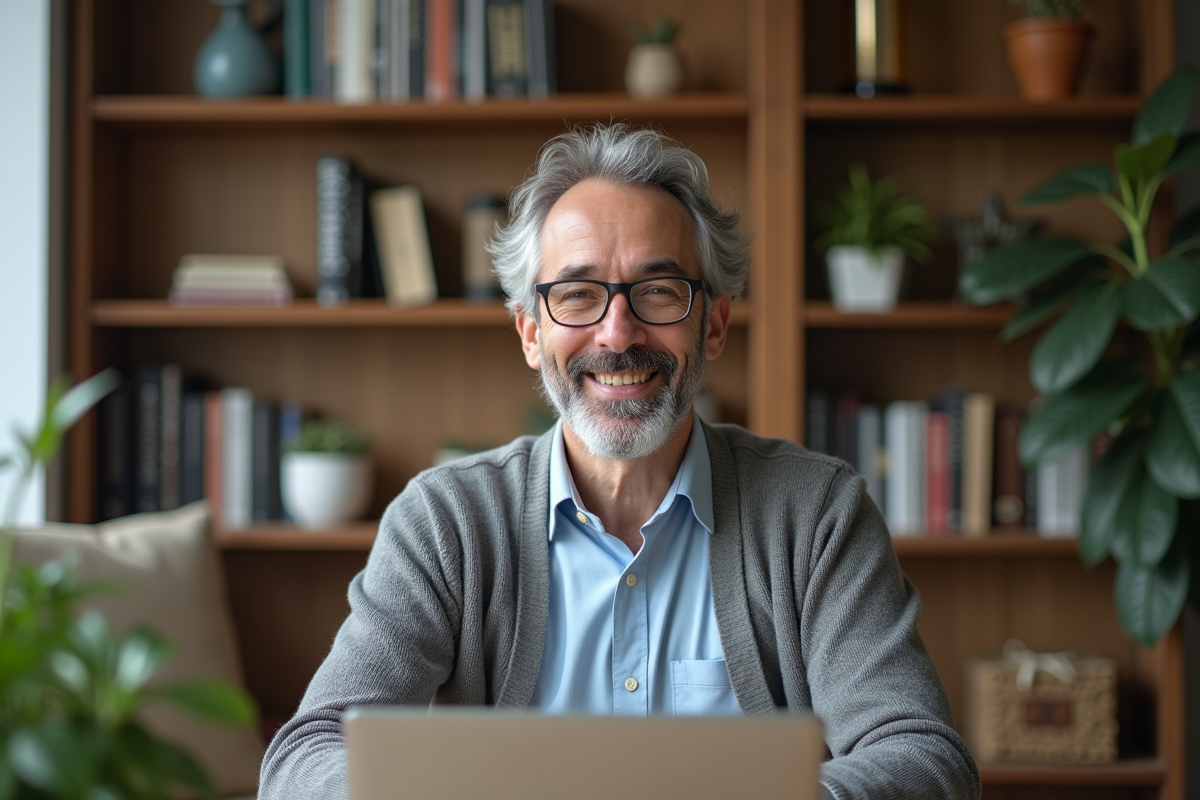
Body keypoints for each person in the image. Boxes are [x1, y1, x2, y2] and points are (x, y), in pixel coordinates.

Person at [259, 123, 980, 800]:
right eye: (577, 295)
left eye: (659, 292)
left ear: (715, 324)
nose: (617, 332)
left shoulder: (817, 514)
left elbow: (923, 756)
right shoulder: (445, 522)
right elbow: (305, 756)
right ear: (531, 334)